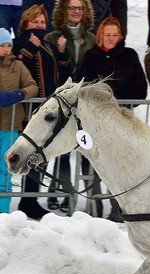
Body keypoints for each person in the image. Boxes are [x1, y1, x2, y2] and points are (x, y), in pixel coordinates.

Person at [81, 16, 147, 221]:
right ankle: (94, 205)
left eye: (114, 35)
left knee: (117, 165)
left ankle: (117, 207)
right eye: (107, 34)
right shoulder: (91, 56)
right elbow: (81, 85)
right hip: (94, 120)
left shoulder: (129, 55)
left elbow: (140, 88)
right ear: (100, 35)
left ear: (120, 36)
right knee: (91, 162)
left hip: (120, 121)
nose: (111, 38)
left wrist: (120, 100)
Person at [12, 4, 71, 219]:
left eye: (42, 22)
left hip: (45, 111)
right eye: (35, 22)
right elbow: (15, 65)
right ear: (26, 24)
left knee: (38, 156)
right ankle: (23, 199)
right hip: (25, 110)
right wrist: (29, 47)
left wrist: (63, 53)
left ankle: (31, 200)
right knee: (24, 154)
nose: (39, 26)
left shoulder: (48, 46)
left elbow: (63, 74)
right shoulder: (18, 43)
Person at [44, 0, 96, 214]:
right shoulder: (52, 37)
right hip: (60, 100)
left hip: (82, 101)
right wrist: (61, 51)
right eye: (72, 8)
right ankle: (62, 191)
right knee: (61, 149)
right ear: (63, 11)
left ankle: (73, 192)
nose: (76, 12)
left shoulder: (91, 39)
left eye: (80, 8)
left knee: (81, 145)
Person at [0, 27, 37, 215]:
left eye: (8, 45)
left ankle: (3, 212)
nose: (6, 49)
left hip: (10, 126)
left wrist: (19, 94)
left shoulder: (18, 67)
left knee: (5, 172)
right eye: (1, 45)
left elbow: (33, 87)